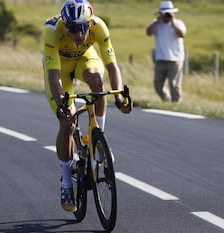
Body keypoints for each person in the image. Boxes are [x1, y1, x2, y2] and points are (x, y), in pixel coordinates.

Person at [43, 0, 131, 212]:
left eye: (83, 27)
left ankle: (98, 137)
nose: (79, 33)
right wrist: (62, 105)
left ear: (90, 23)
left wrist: (119, 97)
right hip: (60, 70)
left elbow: (112, 66)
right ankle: (66, 183)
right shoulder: (53, 30)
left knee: (97, 83)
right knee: (67, 123)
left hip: (85, 59)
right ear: (66, 24)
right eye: (73, 28)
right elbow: (54, 77)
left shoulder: (99, 26)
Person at [146, 1, 187, 103]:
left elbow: (182, 34)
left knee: (174, 84)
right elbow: (148, 32)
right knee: (157, 84)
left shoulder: (179, 23)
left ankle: (176, 104)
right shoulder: (156, 23)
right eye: (165, 14)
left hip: (175, 59)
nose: (166, 16)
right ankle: (167, 100)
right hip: (160, 58)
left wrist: (172, 22)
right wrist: (158, 20)